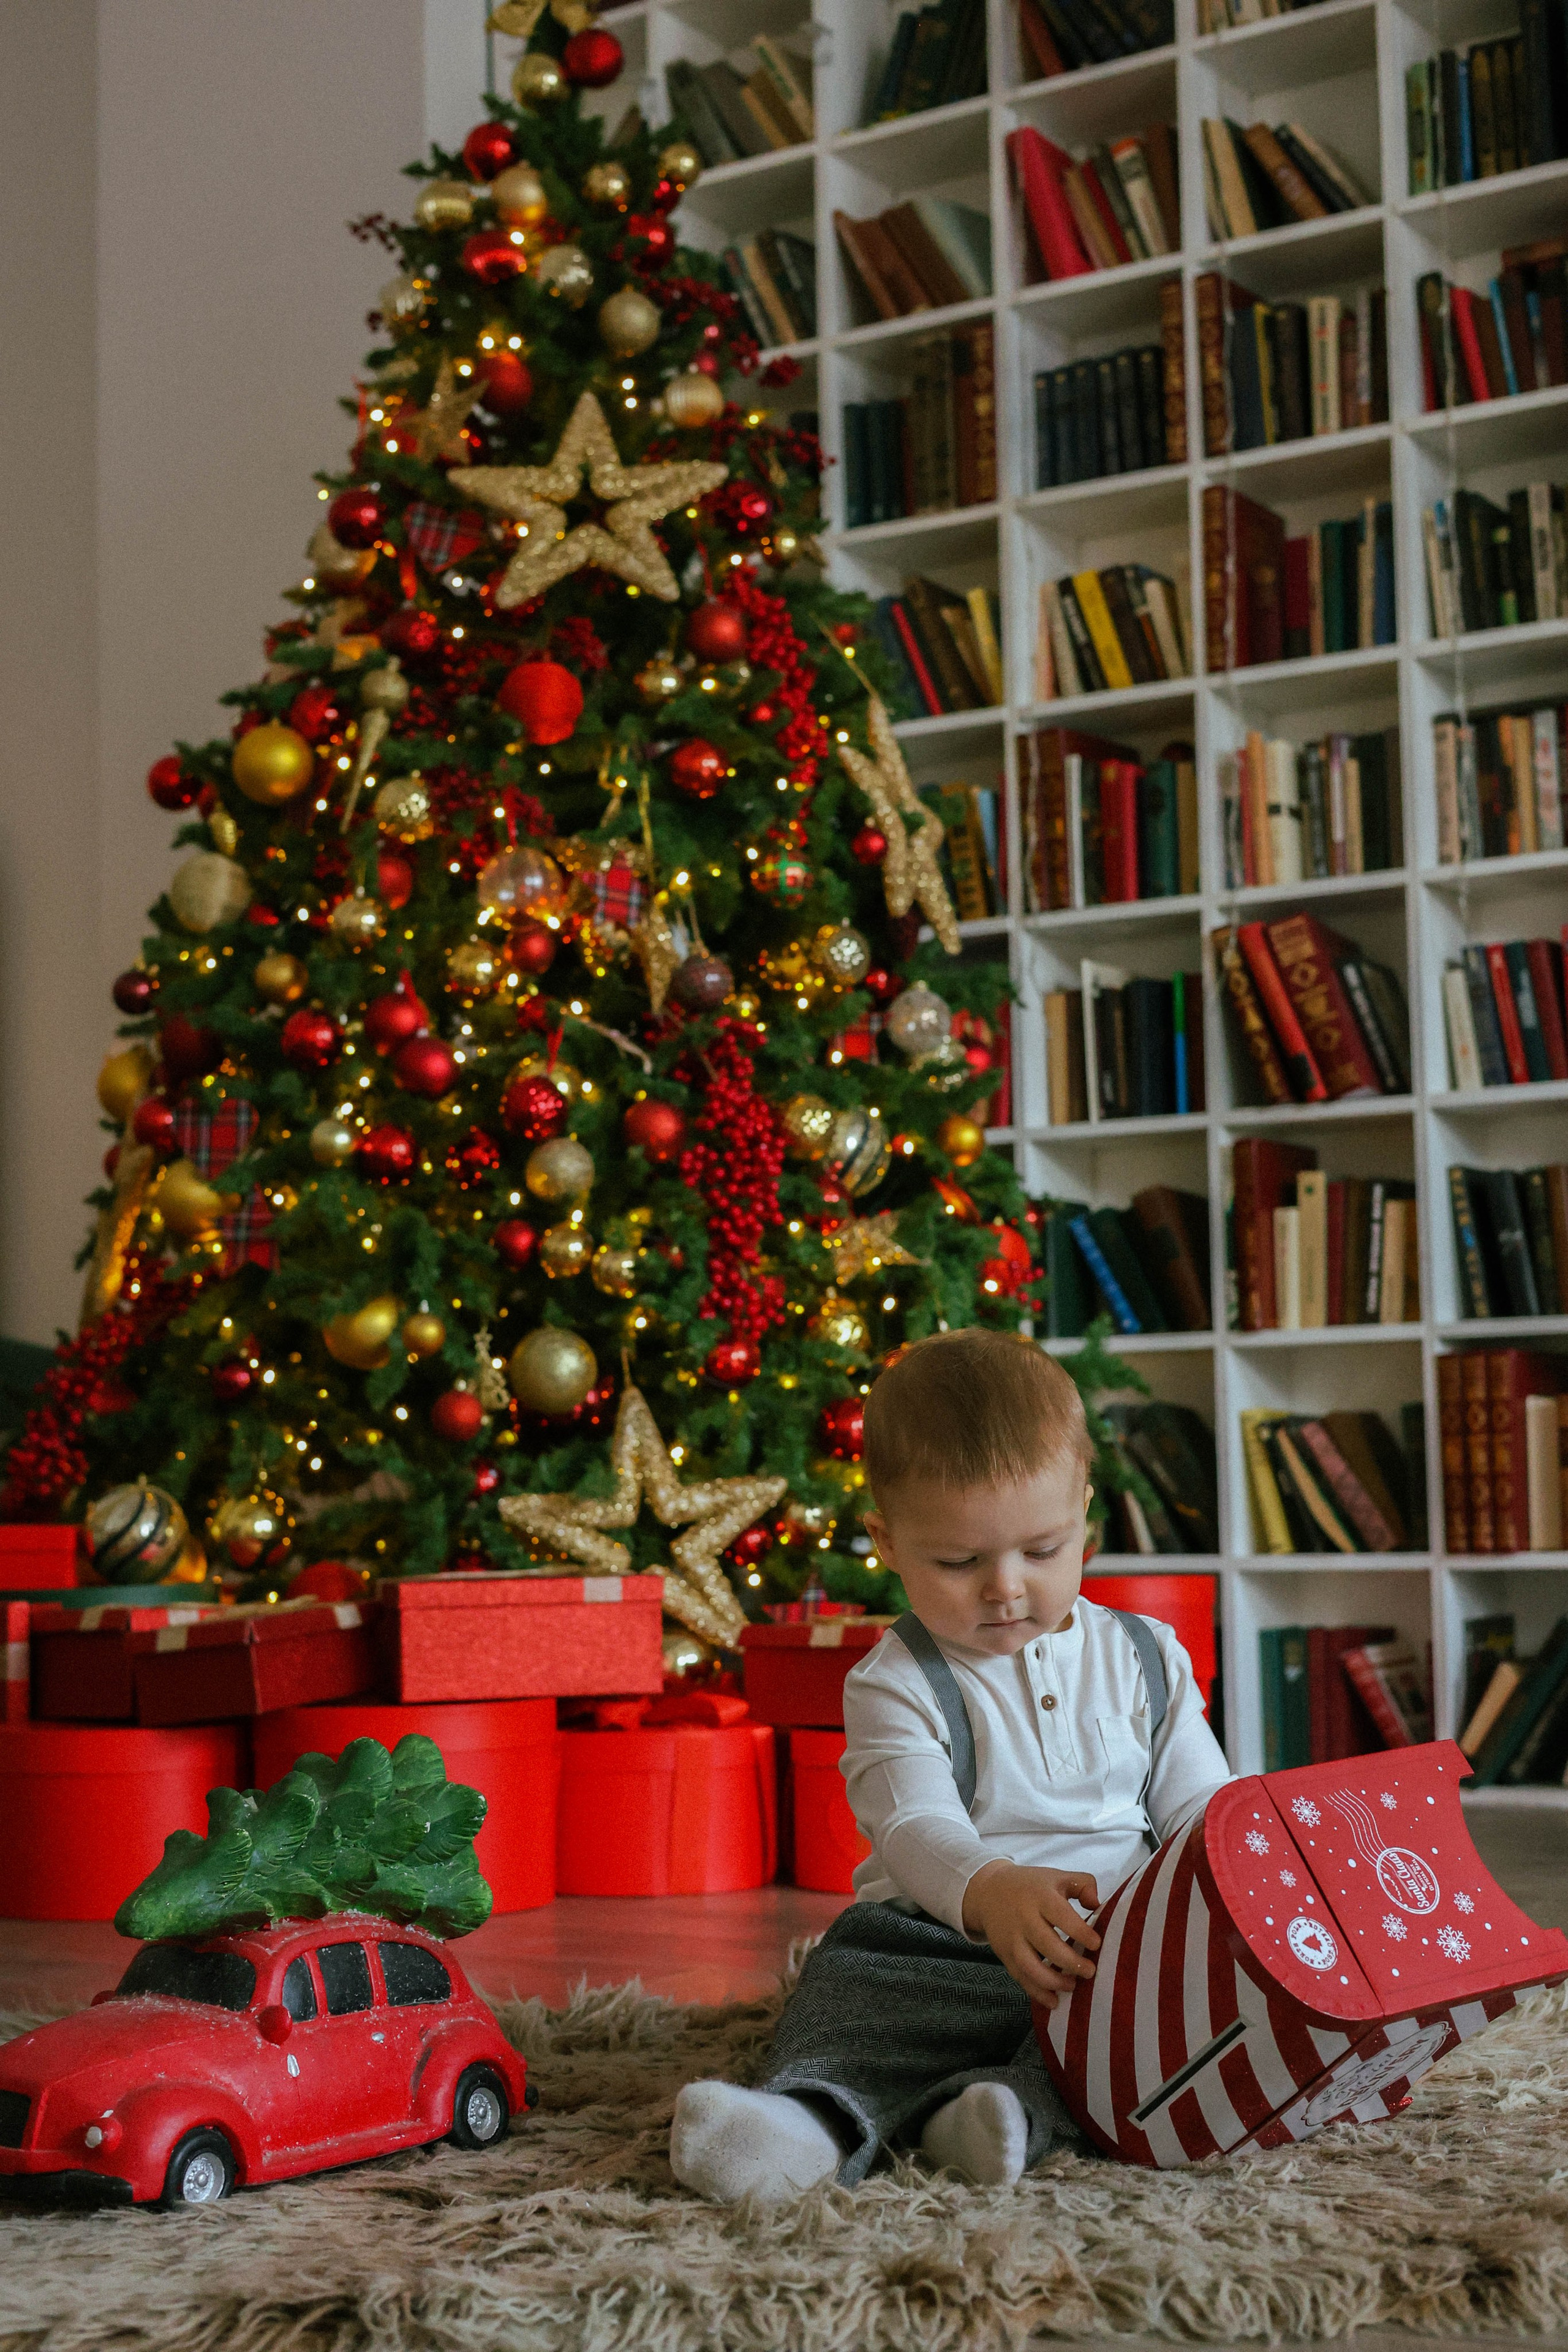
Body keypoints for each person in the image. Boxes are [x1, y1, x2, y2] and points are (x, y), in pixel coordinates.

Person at [671, 1327, 1232, 2203]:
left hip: (1104, 1946)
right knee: (851, 1994)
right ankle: (802, 2121)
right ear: (887, 1541)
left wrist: (1238, 1877)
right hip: (938, 1941)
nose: (1005, 1587)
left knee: (1140, 2039)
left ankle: (992, 2118)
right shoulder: (894, 1681)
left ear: (1085, 1510)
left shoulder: (1147, 1654)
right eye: (960, 1562)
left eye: (1042, 1551)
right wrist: (992, 1888)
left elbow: (1202, 1800)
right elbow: (913, 1825)